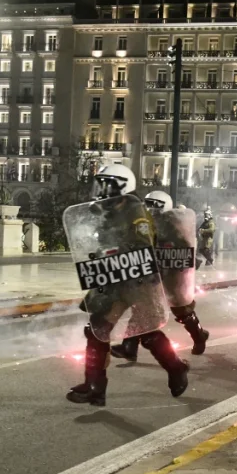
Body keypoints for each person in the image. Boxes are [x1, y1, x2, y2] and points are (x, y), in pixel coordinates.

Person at [65, 166, 189, 406]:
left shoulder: (136, 212)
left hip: (138, 281)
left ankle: (176, 368)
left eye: (106, 184)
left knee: (147, 332)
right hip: (114, 278)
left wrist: (116, 251)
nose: (101, 189)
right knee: (97, 329)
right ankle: (95, 387)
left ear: (121, 186)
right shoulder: (107, 213)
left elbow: (143, 245)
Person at [111, 190, 210, 362]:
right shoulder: (144, 224)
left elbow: (184, 249)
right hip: (151, 274)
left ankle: (199, 335)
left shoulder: (171, 227)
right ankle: (129, 347)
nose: (149, 209)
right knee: (142, 308)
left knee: (182, 311)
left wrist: (175, 258)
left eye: (154, 205)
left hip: (170, 275)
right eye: (147, 205)